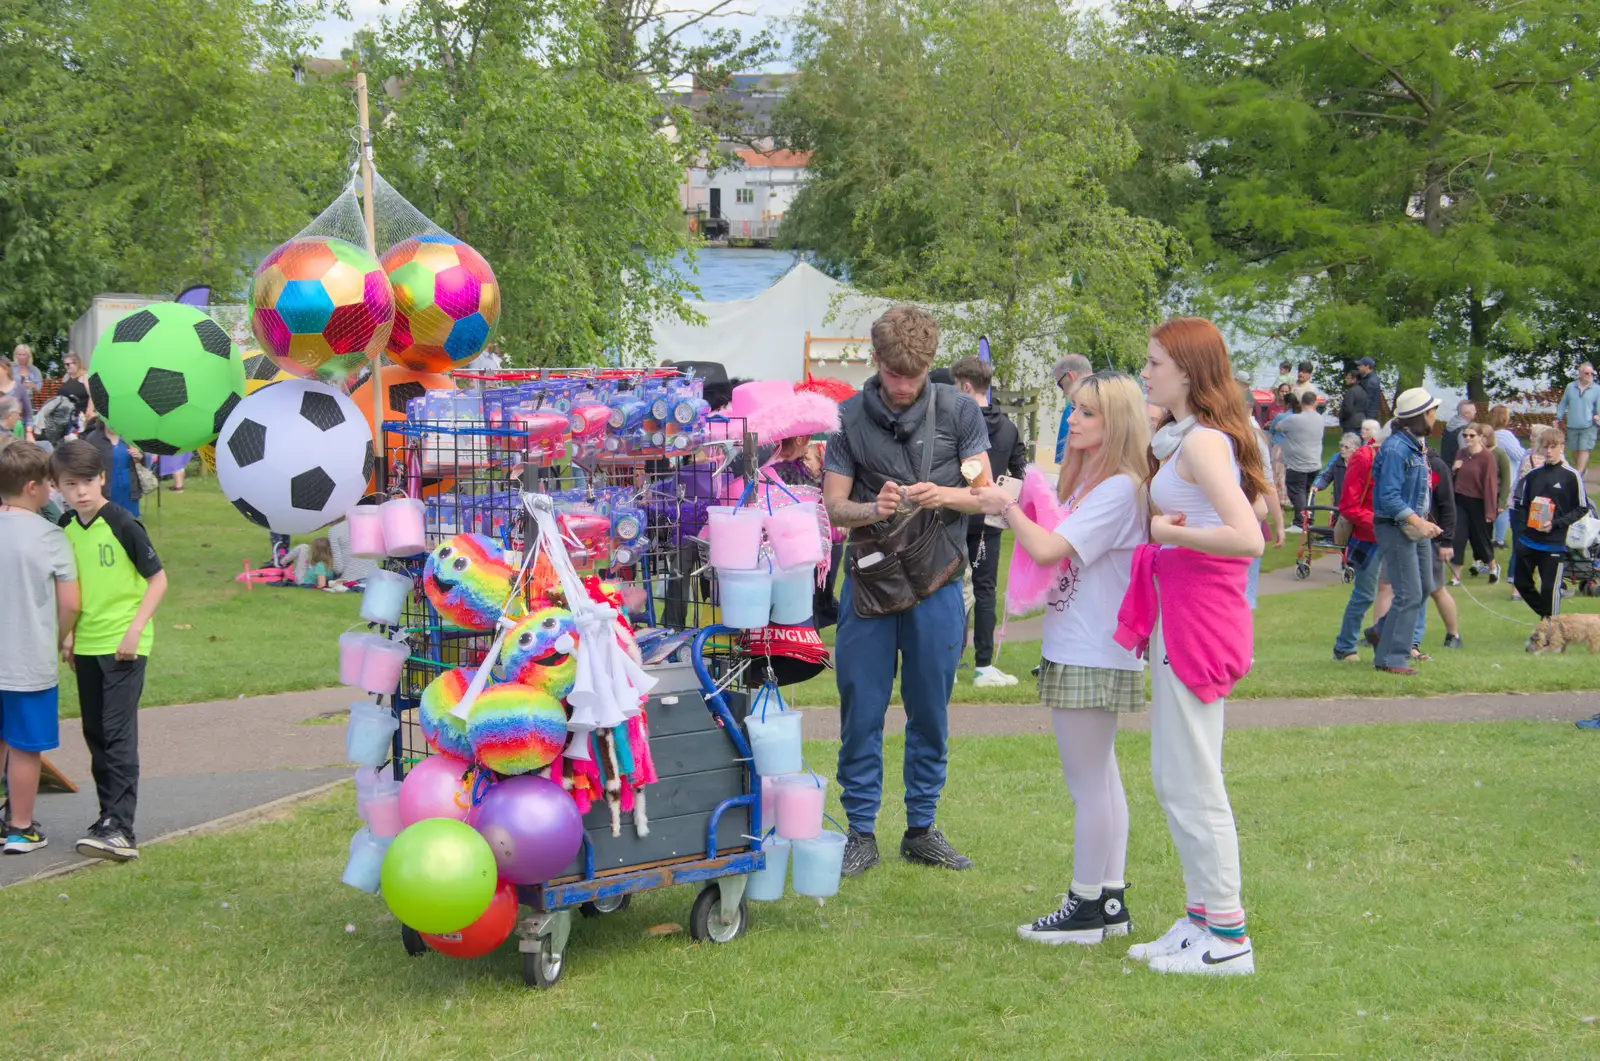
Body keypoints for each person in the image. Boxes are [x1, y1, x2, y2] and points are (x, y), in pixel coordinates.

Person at [972, 371, 1149, 945]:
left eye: (1088, 413)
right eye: (1074, 409)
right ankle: (1110, 899)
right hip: (1088, 645)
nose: (1074, 419)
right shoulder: (1098, 484)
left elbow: (1048, 547)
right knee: (1103, 781)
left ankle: (1085, 906)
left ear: (1117, 422)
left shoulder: (1119, 488)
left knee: (1088, 786)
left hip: (1093, 649)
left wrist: (1006, 505)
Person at [823, 305, 991, 876]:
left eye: (913, 377)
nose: (902, 386)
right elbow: (834, 505)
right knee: (861, 710)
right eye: (894, 375)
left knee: (930, 712)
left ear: (929, 367)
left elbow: (986, 496)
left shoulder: (962, 411)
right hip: (869, 582)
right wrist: (876, 507)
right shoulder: (847, 419)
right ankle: (860, 832)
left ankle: (921, 827)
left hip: (937, 581)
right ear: (876, 362)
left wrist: (941, 496)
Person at [1124, 317, 1265, 976]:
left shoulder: (1202, 443)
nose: (1146, 372)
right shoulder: (1187, 439)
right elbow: (1250, 513)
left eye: (1154, 362)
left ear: (1186, 369)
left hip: (1198, 619)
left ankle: (1229, 936)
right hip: (1182, 613)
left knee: (1193, 779)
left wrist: (1164, 531)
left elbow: (1251, 537)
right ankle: (1202, 917)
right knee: (1174, 775)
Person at [49, 440, 168, 861]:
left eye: (87, 481)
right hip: (86, 646)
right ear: (57, 487)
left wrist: (135, 631)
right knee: (95, 733)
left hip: (124, 645)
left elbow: (158, 580)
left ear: (102, 478)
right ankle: (107, 819)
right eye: (70, 484)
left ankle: (123, 830)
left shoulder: (123, 523)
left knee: (118, 734)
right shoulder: (64, 527)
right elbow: (73, 591)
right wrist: (69, 635)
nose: (80, 491)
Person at [0, 443, 80, 854]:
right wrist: (60, 636)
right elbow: (70, 602)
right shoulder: (51, 536)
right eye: (48, 484)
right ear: (32, 487)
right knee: (26, 746)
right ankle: (20, 827)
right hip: (27, 659)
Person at [950, 356, 1028, 688]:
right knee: (984, 590)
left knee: (951, 588)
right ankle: (983, 665)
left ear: (966, 386)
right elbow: (1022, 471)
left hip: (955, 514)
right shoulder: (1009, 427)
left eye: (955, 387)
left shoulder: (955, 421)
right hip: (991, 521)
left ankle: (950, 663)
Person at [1370, 388, 1442, 676]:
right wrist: (1418, 521)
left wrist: (1423, 520)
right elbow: (1388, 496)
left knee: (1423, 587)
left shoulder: (1415, 444)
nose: (1436, 416)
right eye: (1432, 411)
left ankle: (1380, 632)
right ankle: (1392, 657)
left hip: (1413, 526)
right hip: (1397, 527)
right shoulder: (1397, 448)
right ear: (1420, 415)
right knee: (1408, 592)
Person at [1511, 426, 1588, 619]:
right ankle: (1548, 619)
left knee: (1549, 588)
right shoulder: (1533, 475)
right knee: (1521, 583)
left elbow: (1582, 507)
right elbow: (1521, 505)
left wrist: (1556, 523)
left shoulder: (1571, 476)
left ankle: (1550, 629)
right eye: (1545, 447)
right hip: (1529, 540)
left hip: (1554, 542)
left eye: (1553, 447)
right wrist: (1524, 529)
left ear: (1562, 447)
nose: (1549, 451)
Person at [1332, 425, 1381, 662]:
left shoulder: (1409, 456)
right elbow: (1348, 506)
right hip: (1367, 539)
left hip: (1394, 537)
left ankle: (1401, 642)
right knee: (1365, 594)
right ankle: (1345, 646)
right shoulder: (1364, 457)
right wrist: (1380, 523)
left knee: (1407, 591)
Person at [1451, 422, 1500, 583]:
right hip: (1460, 500)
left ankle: (1492, 567)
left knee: (1480, 538)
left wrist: (1490, 511)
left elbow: (1490, 484)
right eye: (1465, 435)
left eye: (1472, 435)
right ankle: (1455, 576)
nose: (1468, 438)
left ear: (1480, 437)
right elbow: (1453, 477)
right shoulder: (1461, 453)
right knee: (1458, 537)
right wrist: (1454, 469)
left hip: (1478, 502)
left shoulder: (1487, 457)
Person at [79, 408, 144, 517]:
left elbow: (144, 460)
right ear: (103, 420)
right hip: (107, 489)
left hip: (129, 489)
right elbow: (86, 464)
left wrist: (139, 456)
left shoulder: (129, 437)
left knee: (131, 522)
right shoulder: (93, 439)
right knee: (109, 521)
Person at [1277, 391, 1326, 527]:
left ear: (1301, 403)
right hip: (1314, 462)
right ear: (1315, 403)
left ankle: (1300, 522)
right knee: (1308, 493)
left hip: (1297, 464)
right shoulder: (1320, 419)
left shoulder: (1294, 420)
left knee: (1297, 492)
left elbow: (1278, 426)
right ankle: (1308, 519)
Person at [1554, 362, 1598, 473]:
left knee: (1584, 448)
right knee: (1575, 450)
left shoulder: (1597, 389)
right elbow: (1564, 403)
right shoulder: (1570, 387)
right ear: (1580, 374)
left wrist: (1598, 417)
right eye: (1586, 373)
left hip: (1589, 425)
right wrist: (1558, 417)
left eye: (1591, 373)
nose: (1589, 375)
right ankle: (1582, 470)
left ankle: (1578, 473)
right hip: (1572, 424)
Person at [1486, 407, 1518, 548]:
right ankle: (1499, 539)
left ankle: (1491, 536)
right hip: (1507, 475)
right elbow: (1519, 454)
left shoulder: (1490, 434)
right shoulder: (1505, 435)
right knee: (1503, 507)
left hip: (1493, 477)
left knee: (1495, 506)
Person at [1051, 354, 1092, 462]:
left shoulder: (1070, 413)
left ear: (1070, 376)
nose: (1064, 392)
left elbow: (1064, 461)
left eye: (1061, 385)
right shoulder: (1114, 404)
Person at [1312, 432, 1360, 521]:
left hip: (1355, 506)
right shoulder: (1337, 462)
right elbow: (1326, 476)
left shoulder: (1360, 464)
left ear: (1355, 450)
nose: (1342, 449)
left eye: (1346, 447)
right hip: (1339, 505)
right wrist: (1317, 485)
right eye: (1341, 445)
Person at [0, 359, 34, 443]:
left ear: (5, 370)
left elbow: (28, 415)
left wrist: (29, 433)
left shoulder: (19, 388)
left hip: (15, 432)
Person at [1440, 400, 1477, 466]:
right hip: (1457, 469)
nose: (1475, 412)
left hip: (1445, 466)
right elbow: (1465, 454)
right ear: (1466, 414)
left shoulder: (1449, 425)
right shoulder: (1464, 430)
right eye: (1473, 410)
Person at [58, 352, 90, 420]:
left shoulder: (85, 377)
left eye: (68, 364)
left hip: (80, 417)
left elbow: (92, 396)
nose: (66, 367)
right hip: (64, 417)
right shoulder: (66, 377)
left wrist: (89, 412)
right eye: (65, 364)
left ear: (76, 364)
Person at [1337, 367, 1367, 437]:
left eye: (1348, 378)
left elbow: (1348, 409)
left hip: (1350, 423)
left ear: (1354, 379)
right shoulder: (1363, 391)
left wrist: (1342, 418)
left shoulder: (1351, 392)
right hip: (1361, 421)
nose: (1346, 380)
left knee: (1349, 445)